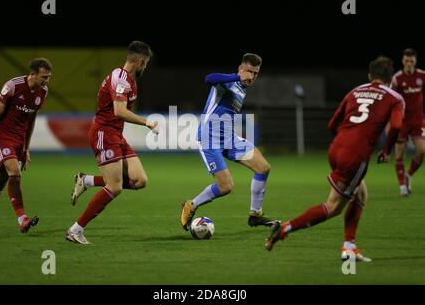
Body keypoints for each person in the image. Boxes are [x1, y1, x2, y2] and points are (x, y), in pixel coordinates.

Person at [265, 56, 405, 262]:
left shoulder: (355, 91)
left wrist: (343, 143)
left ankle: (349, 247)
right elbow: (397, 125)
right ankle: (287, 228)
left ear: (369, 76)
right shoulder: (394, 97)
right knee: (333, 207)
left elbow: (332, 124)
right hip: (356, 155)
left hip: (336, 148)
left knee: (361, 194)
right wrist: (386, 150)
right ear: (390, 79)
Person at [66, 41, 158, 245]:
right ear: (141, 60)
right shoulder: (120, 78)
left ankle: (87, 180)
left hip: (116, 135)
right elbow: (119, 111)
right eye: (146, 62)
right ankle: (75, 229)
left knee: (140, 180)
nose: (146, 67)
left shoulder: (130, 81)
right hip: (104, 133)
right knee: (114, 187)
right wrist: (147, 122)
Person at [180, 53, 277, 231]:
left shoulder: (242, 88)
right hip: (209, 139)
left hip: (229, 139)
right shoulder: (228, 82)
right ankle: (191, 205)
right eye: (249, 71)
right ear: (240, 68)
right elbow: (209, 78)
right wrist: (237, 76)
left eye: (256, 73)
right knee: (226, 187)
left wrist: (242, 79)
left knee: (263, 168)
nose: (252, 76)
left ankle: (255, 215)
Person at [0, 58, 52, 235]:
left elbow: (31, 119)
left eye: (48, 77)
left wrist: (26, 148)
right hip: (2, 135)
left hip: (18, 139)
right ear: (32, 74)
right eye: (44, 77)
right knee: (14, 171)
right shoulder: (13, 86)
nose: (47, 81)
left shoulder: (43, 92)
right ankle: (22, 218)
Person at [390, 48, 425, 197]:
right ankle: (402, 186)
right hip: (402, 121)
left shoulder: (422, 76)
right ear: (403, 61)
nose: (409, 63)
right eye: (406, 60)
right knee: (399, 155)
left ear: (415, 61)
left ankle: (409, 175)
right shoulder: (397, 79)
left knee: (422, 150)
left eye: (411, 60)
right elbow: (391, 99)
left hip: (418, 120)